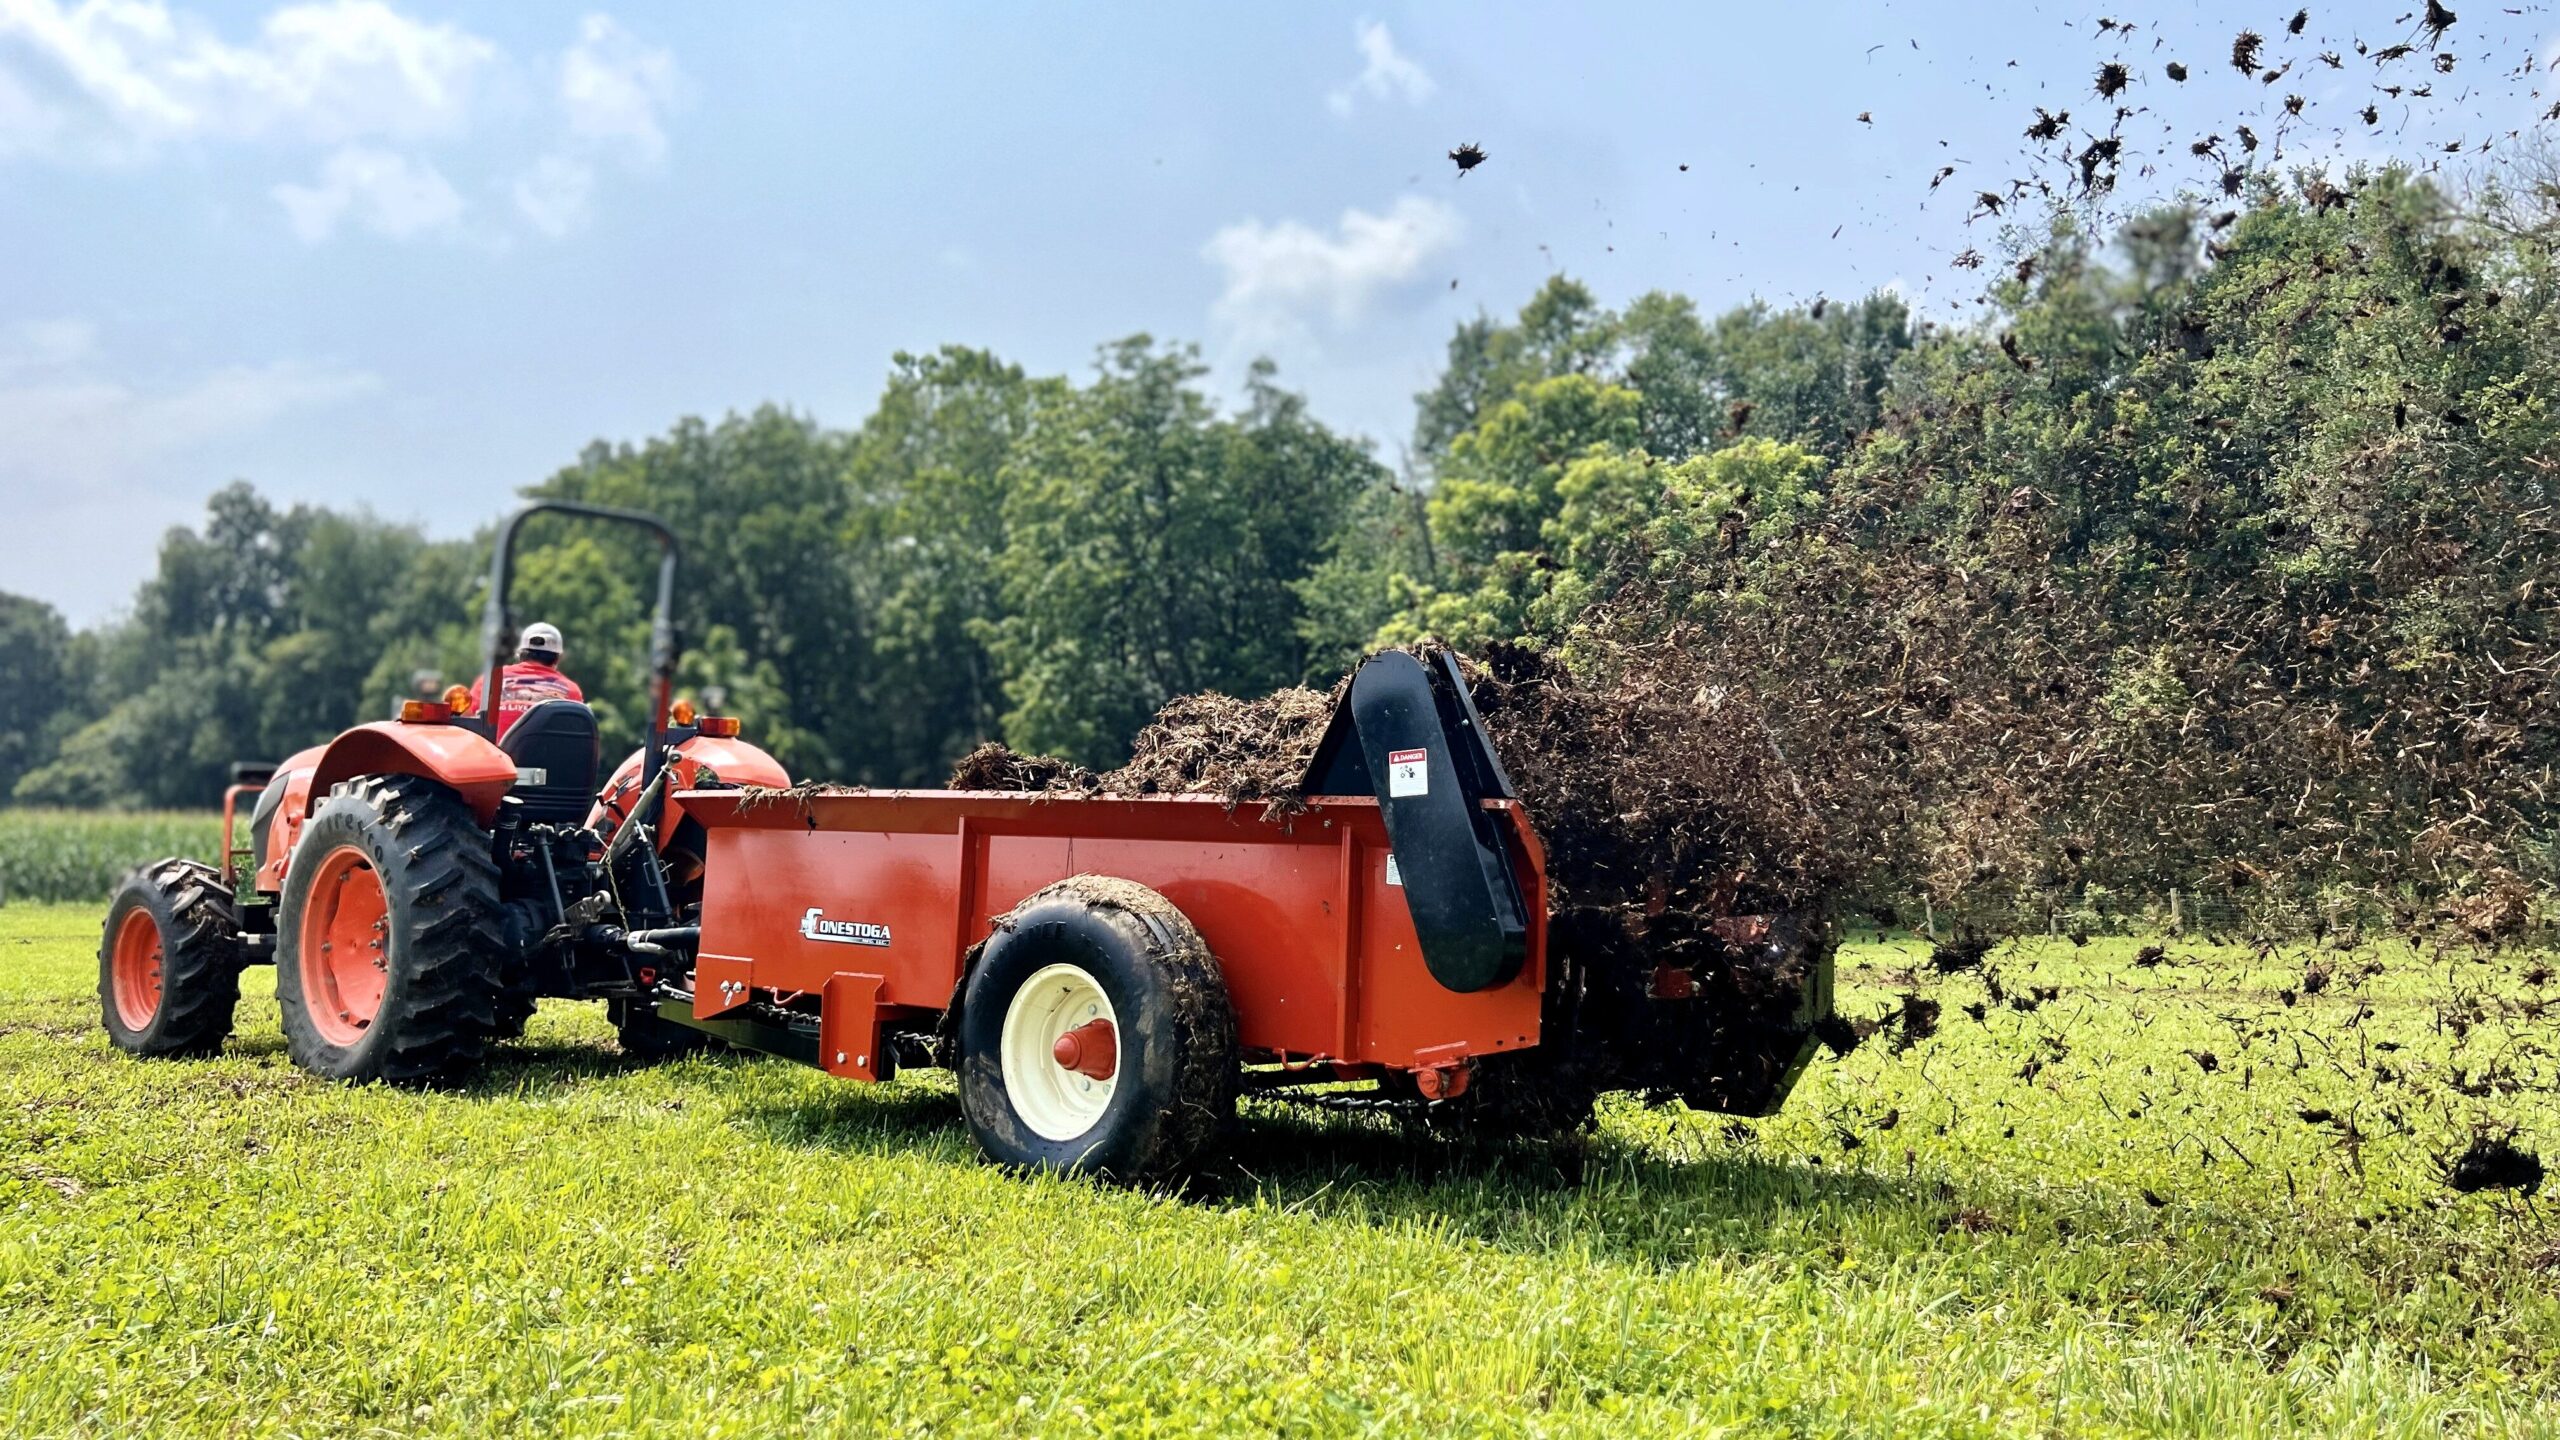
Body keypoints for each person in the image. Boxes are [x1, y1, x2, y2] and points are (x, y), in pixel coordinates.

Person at [468, 621, 584, 741]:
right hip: (547, 757)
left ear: (520, 654)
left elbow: (466, 721)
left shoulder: (489, 680)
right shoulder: (571, 691)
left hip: (495, 757)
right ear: (557, 659)